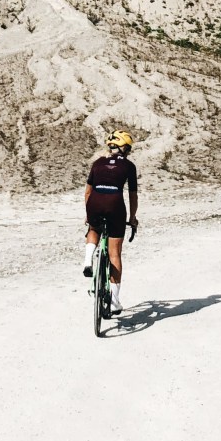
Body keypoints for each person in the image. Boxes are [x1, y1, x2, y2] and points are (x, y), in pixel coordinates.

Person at [82, 129, 139, 315]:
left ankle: (88, 260)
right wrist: (132, 218)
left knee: (94, 229)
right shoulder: (129, 166)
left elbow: (88, 192)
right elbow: (132, 195)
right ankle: (114, 302)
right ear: (124, 148)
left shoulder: (98, 162)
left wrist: (88, 213)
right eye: (128, 148)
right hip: (115, 204)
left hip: (94, 202)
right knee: (115, 253)